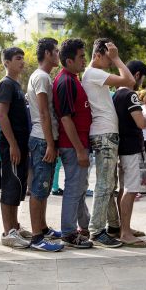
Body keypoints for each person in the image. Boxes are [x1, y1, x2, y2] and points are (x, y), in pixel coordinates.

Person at [81, 38, 134, 248]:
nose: (111, 62)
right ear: (97, 55)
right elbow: (129, 81)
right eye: (108, 58)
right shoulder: (93, 73)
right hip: (104, 135)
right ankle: (96, 230)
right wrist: (118, 58)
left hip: (106, 134)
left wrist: (113, 57)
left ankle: (113, 225)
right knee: (104, 185)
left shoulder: (94, 74)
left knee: (109, 184)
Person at [54, 38, 94, 248]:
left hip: (78, 144)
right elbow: (66, 118)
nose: (84, 60)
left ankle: (84, 225)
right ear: (69, 61)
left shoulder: (72, 78)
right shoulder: (66, 81)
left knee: (79, 187)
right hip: (72, 145)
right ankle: (69, 233)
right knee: (73, 188)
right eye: (80, 56)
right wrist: (79, 150)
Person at [26, 37, 65, 252]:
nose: (58, 55)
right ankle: (36, 237)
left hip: (45, 138)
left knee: (44, 187)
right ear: (48, 54)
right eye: (56, 51)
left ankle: (42, 227)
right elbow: (42, 112)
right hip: (42, 139)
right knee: (39, 189)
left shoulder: (42, 77)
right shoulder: (41, 77)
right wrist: (51, 144)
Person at [114, 60, 146, 247]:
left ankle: (125, 227)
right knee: (131, 189)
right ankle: (125, 232)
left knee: (123, 188)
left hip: (121, 148)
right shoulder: (131, 95)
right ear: (137, 75)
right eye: (142, 78)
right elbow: (140, 122)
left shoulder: (116, 95)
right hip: (131, 148)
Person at [0, 47, 32, 248]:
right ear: (7, 62)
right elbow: (2, 116)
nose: (22, 62)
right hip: (12, 145)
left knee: (18, 186)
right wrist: (12, 145)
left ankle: (15, 227)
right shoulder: (6, 85)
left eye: (23, 58)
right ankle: (8, 231)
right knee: (10, 186)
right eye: (18, 58)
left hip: (21, 144)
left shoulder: (17, 85)